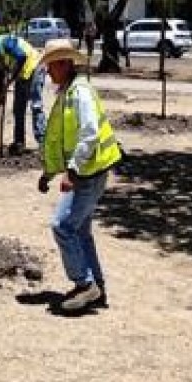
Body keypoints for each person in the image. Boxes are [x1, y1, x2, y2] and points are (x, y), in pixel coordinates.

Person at [37, 40, 122, 313]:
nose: (48, 71)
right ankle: (95, 287)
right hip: (85, 171)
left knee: (62, 226)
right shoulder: (67, 92)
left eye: (50, 65)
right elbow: (62, 138)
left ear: (63, 63)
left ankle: (84, 285)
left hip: (89, 172)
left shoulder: (80, 92)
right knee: (81, 232)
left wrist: (71, 172)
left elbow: (89, 134)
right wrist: (49, 173)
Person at [0, 33, 45, 154]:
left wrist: (12, 77)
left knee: (36, 106)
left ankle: (43, 143)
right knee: (18, 109)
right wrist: (1, 95)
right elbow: (0, 77)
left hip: (35, 66)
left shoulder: (6, 42)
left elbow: (22, 56)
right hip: (22, 74)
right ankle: (19, 142)